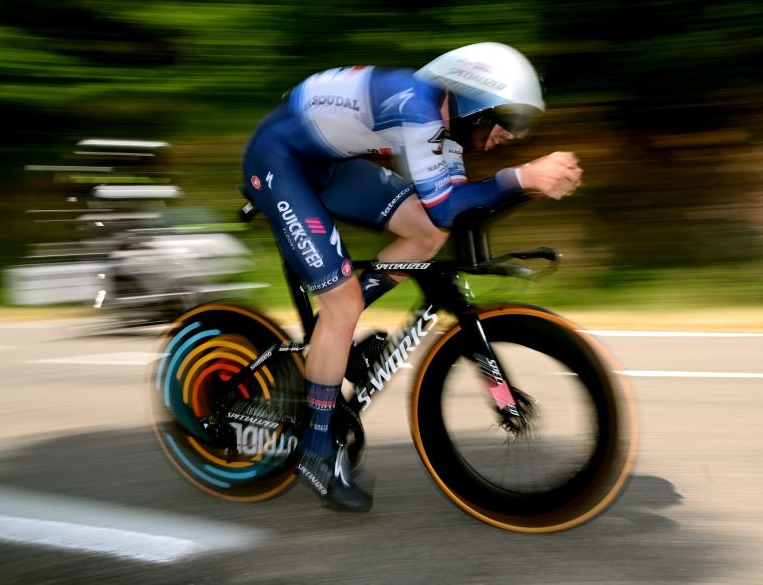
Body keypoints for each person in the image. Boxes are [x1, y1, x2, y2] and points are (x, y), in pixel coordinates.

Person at [241, 42, 582, 511]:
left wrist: (518, 182)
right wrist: (522, 178)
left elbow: (449, 212)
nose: (510, 134)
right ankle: (316, 448)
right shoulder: (418, 107)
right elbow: (449, 204)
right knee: (344, 304)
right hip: (278, 160)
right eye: (507, 119)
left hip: (326, 162)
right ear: (473, 102)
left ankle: (333, 330)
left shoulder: (442, 123)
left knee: (424, 233)